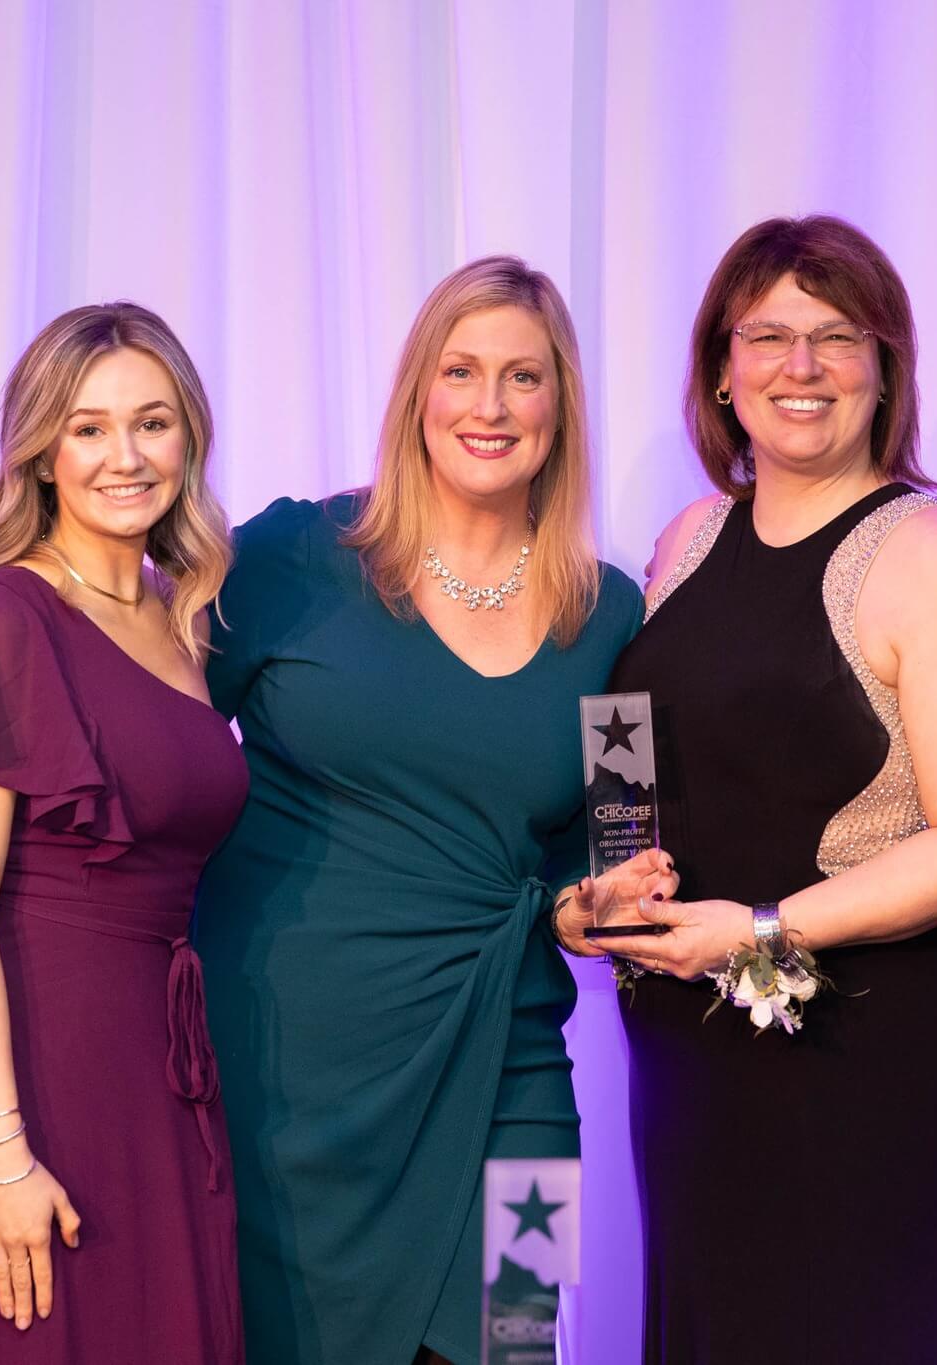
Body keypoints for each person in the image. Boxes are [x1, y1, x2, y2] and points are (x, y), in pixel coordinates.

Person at [566, 215, 937, 1364]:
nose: (800, 367)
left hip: (864, 1047)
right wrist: (607, 887)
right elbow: (628, 758)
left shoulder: (936, 551)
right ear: (720, 371)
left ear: (883, 369)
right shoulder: (687, 538)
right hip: (688, 1047)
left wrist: (759, 934)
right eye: (769, 337)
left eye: (836, 338)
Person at [197, 256, 670, 1365]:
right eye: (460, 371)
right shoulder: (289, 558)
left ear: (561, 405)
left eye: (523, 376)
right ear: (416, 392)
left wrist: (593, 902)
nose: (490, 406)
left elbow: (617, 847)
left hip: (512, 1072)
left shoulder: (611, 615)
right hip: (287, 1083)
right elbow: (159, 750)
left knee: (521, 1341)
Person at [0, 302, 246, 1362]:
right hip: (26, 1079)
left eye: (152, 422)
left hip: (159, 1081)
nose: (125, 455)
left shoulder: (184, 622)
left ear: (189, 439)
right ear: (40, 455)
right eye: (87, 428)